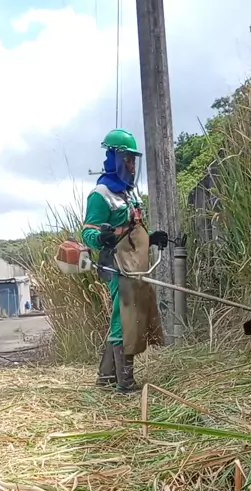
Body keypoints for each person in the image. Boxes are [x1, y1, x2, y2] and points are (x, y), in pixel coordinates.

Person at [82, 129, 168, 393]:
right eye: (126, 160)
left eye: (133, 160)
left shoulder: (130, 194)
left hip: (135, 265)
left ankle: (106, 377)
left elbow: (132, 231)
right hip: (116, 264)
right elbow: (87, 233)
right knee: (125, 320)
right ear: (113, 159)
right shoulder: (101, 194)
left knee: (127, 317)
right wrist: (102, 237)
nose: (131, 166)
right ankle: (125, 383)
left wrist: (151, 239)